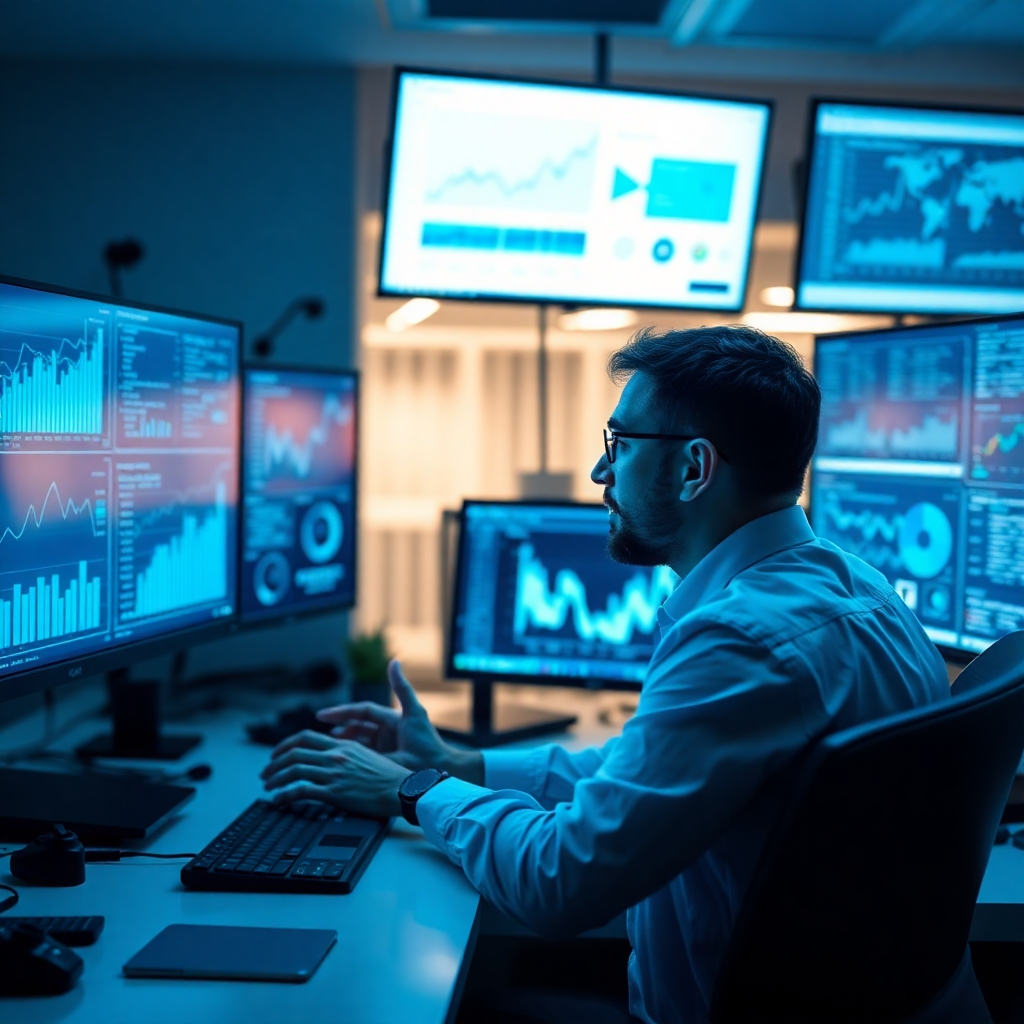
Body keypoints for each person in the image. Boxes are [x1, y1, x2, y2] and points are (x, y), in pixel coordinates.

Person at [260, 325, 950, 1024]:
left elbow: (560, 883)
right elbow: (643, 774)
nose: (599, 471)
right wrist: (459, 764)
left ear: (694, 468)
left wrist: (413, 791)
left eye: (619, 444)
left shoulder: (739, 640)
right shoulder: (858, 587)